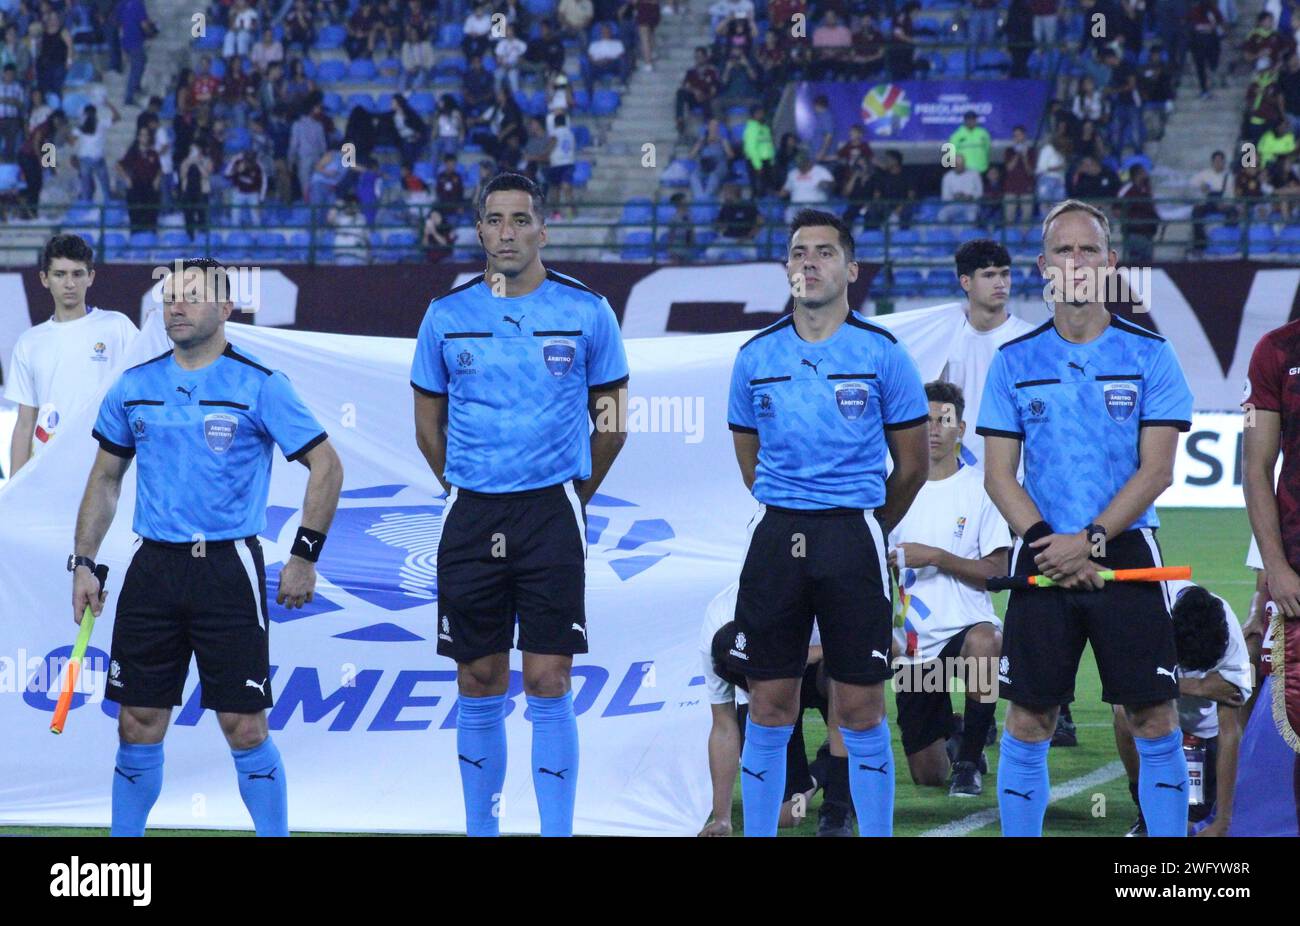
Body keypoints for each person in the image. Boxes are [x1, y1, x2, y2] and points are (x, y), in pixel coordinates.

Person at [73, 257, 342, 837]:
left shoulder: (260, 383)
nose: (176, 305)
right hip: (153, 569)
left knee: (245, 726)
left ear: (225, 309)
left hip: (227, 568)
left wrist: (304, 554)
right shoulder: (135, 386)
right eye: (170, 295)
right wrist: (84, 562)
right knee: (137, 722)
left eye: (192, 296)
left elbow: (326, 466)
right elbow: (105, 479)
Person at [410, 172, 630, 838]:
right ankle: (484, 830)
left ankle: (556, 833)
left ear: (542, 227)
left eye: (520, 219)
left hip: (550, 512)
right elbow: (427, 423)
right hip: (472, 511)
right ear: (478, 230)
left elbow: (612, 420)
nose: (507, 232)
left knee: (548, 675)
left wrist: (571, 493)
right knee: (478, 677)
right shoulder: (445, 316)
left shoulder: (588, 310)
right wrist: (460, 484)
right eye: (495, 220)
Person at [976, 198, 1195, 837]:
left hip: (1124, 552)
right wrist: (1053, 545)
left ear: (1111, 262)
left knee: (1153, 717)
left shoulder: (1152, 354)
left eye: (1089, 249)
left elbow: (1156, 470)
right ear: (1043, 266)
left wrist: (1091, 541)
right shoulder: (1014, 361)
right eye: (1064, 251)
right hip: (1042, 555)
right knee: (1028, 721)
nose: (1076, 262)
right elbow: (998, 477)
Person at [725, 208, 930, 836]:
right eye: (797, 252)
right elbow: (749, 462)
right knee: (768, 703)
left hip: (852, 534)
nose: (807, 262)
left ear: (850, 268)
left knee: (862, 706)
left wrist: (862, 524)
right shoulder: (755, 355)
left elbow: (914, 465)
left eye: (822, 251)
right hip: (776, 535)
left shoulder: (883, 353)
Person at [888, 381, 1009, 797]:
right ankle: (958, 736)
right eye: (925, 420)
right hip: (911, 644)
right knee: (927, 775)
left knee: (987, 639)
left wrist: (936, 556)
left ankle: (970, 760)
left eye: (944, 420)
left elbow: (996, 572)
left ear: (961, 428)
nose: (934, 429)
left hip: (964, 630)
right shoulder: (892, 489)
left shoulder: (982, 489)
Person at [697, 582, 851, 836]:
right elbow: (723, 725)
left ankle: (838, 803)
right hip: (771, 690)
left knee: (839, 678)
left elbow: (859, 652)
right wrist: (722, 818)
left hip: (819, 668)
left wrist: (810, 655)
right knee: (789, 814)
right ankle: (822, 772)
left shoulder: (802, 603)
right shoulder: (715, 626)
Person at [1115, 582, 1250, 836]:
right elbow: (1127, 686)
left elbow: (1229, 731)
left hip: (1202, 735)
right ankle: (1143, 808)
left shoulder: (1227, 631)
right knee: (1123, 712)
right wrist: (1197, 686)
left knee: (1191, 821)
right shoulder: (1146, 614)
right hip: (1155, 721)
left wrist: (1222, 821)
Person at [6, 235, 137, 476]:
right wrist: (12, 494)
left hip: (105, 470)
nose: (69, 283)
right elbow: (25, 424)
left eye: (77, 274)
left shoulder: (117, 327)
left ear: (91, 277)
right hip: (48, 473)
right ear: (44, 279)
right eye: (60, 274)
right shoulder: (29, 343)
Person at [938, 239, 1036, 469]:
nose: (1000, 283)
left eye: (1005, 274)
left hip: (1018, 470)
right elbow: (943, 405)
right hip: (960, 471)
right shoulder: (948, 341)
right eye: (989, 275)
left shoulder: (1030, 341)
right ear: (965, 282)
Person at [71, 101, 120, 202]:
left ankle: (86, 207)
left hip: (87, 159)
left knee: (87, 189)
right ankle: (106, 204)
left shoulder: (84, 126)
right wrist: (108, 104)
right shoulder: (101, 124)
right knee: (104, 187)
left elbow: (72, 141)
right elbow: (117, 117)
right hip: (96, 158)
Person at [938, 155, 982, 225]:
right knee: (942, 215)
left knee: (972, 216)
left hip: (971, 204)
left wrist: (970, 196)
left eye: (961, 164)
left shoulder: (974, 174)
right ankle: (947, 234)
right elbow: (944, 197)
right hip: (954, 204)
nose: (959, 166)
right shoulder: (947, 176)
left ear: (964, 163)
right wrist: (954, 197)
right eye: (957, 164)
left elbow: (980, 192)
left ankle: (970, 234)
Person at [948, 111, 992, 175]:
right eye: (968, 119)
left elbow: (987, 149)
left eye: (973, 119)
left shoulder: (984, 133)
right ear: (965, 120)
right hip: (964, 172)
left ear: (976, 120)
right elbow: (950, 155)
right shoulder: (956, 135)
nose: (971, 121)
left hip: (982, 170)